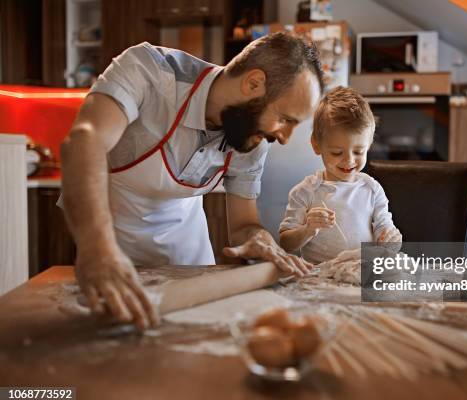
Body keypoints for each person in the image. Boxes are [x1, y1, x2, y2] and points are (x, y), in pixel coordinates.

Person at [60, 32, 324, 331]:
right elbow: (84, 142)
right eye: (286, 119)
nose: (284, 138)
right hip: (114, 260)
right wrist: (98, 250)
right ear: (253, 84)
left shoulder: (252, 139)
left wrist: (258, 239)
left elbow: (242, 226)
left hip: (192, 268)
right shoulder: (150, 71)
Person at [278, 86, 402, 264]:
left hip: (360, 275)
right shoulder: (305, 192)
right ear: (316, 145)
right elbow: (285, 244)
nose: (349, 160)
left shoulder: (372, 189)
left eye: (359, 152)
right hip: (318, 278)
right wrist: (307, 229)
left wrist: (391, 240)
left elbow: (385, 232)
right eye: (337, 152)